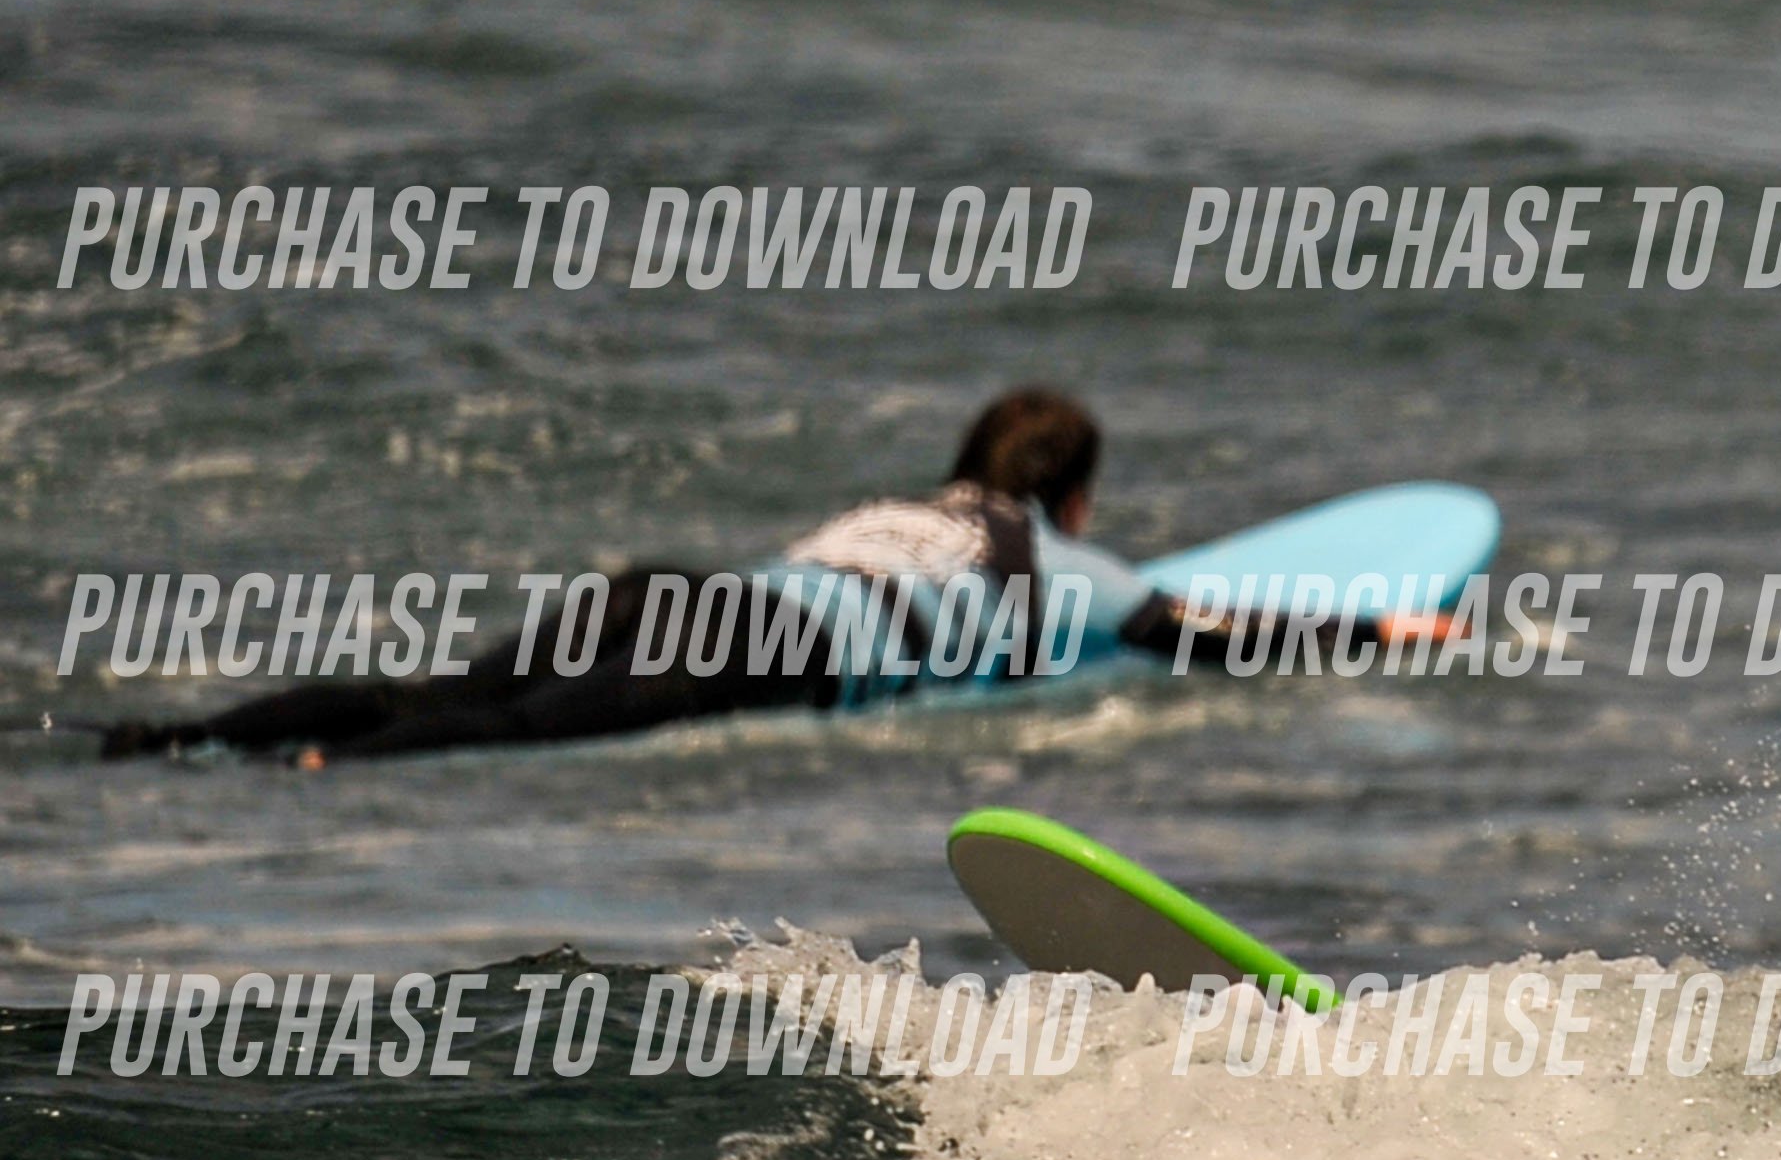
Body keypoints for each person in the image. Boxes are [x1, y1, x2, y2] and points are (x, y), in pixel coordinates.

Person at [99, 388, 1227, 761]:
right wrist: (1342, 634)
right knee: (517, 731)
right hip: (775, 646)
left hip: (679, 591)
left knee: (436, 692)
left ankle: (183, 737)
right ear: (1072, 499)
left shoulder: (897, 510)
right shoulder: (1062, 562)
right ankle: (318, 765)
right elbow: (1204, 635)